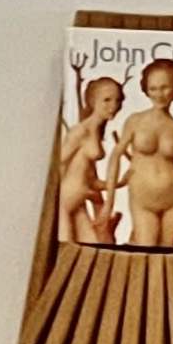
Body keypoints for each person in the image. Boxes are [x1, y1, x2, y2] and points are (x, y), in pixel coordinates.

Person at [112, 56, 173, 250]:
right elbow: (114, 157)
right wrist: (108, 206)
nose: (159, 94)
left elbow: (167, 163)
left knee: (166, 257)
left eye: (165, 87)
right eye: (153, 88)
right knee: (145, 252)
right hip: (143, 200)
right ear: (146, 89)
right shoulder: (135, 120)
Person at [52, 62, 125, 247]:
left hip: (78, 203)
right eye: (107, 100)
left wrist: (122, 182)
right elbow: (58, 164)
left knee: (94, 249)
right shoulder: (80, 131)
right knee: (67, 252)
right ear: (93, 101)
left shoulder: (95, 131)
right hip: (64, 204)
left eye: (117, 100)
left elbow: (89, 177)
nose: (113, 106)